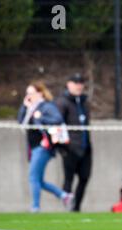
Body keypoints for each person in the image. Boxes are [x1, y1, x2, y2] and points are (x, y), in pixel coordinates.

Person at [17, 81, 74, 213]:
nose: (29, 96)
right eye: (27, 93)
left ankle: (35, 207)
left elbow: (58, 119)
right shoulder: (30, 108)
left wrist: (41, 117)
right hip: (33, 147)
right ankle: (65, 196)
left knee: (33, 177)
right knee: (39, 180)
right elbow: (21, 121)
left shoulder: (46, 106)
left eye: (31, 93)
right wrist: (25, 107)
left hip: (43, 146)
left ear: (40, 93)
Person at [55, 73, 92, 212]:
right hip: (70, 147)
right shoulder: (62, 102)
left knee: (84, 177)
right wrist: (61, 146)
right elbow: (57, 124)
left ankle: (76, 207)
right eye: (76, 82)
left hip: (85, 146)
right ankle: (68, 206)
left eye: (81, 82)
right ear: (68, 84)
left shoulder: (84, 102)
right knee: (68, 179)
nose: (79, 85)